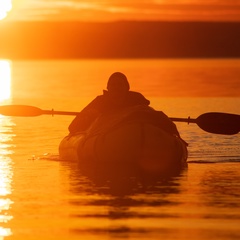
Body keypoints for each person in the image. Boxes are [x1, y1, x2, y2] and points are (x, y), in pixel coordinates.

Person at [68, 72, 180, 139]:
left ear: (127, 88)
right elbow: (72, 127)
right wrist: (89, 116)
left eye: (120, 85)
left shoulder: (137, 100)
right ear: (108, 89)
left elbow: (156, 118)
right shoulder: (100, 102)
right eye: (113, 85)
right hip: (106, 138)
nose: (116, 88)